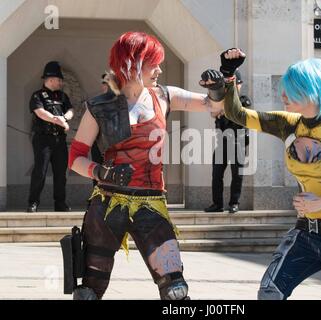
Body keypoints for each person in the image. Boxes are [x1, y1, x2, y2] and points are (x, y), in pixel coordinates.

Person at [200, 49, 321, 300]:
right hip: (307, 234)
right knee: (270, 292)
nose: (283, 95)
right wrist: (229, 76)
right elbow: (238, 115)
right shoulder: (287, 123)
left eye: (292, 88)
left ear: (313, 90)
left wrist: (319, 203)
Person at [68, 31, 222, 300]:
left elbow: (214, 106)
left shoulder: (164, 96)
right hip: (108, 204)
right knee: (89, 292)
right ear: (132, 63)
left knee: (175, 290)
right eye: (153, 63)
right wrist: (100, 171)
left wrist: (223, 84)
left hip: (151, 205)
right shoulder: (98, 106)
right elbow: (75, 157)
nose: (160, 69)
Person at [27, 61, 74, 213]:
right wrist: (57, 119)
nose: (61, 82)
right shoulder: (38, 95)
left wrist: (65, 118)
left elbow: (71, 110)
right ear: (50, 79)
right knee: (40, 171)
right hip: (43, 140)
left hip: (59, 139)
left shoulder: (63, 96)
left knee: (61, 173)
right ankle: (33, 202)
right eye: (59, 79)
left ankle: (60, 204)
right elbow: (40, 112)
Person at [205, 69, 251, 213]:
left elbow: (240, 113)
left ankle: (234, 203)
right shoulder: (219, 101)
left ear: (239, 84)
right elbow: (213, 112)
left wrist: (225, 110)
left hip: (238, 143)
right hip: (222, 143)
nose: (229, 87)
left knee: (237, 175)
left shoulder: (243, 100)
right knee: (217, 174)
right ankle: (217, 204)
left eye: (233, 83)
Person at [90, 73, 109, 186]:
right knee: (97, 172)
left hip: (115, 144)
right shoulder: (95, 103)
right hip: (98, 142)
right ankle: (97, 199)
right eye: (105, 84)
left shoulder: (123, 102)